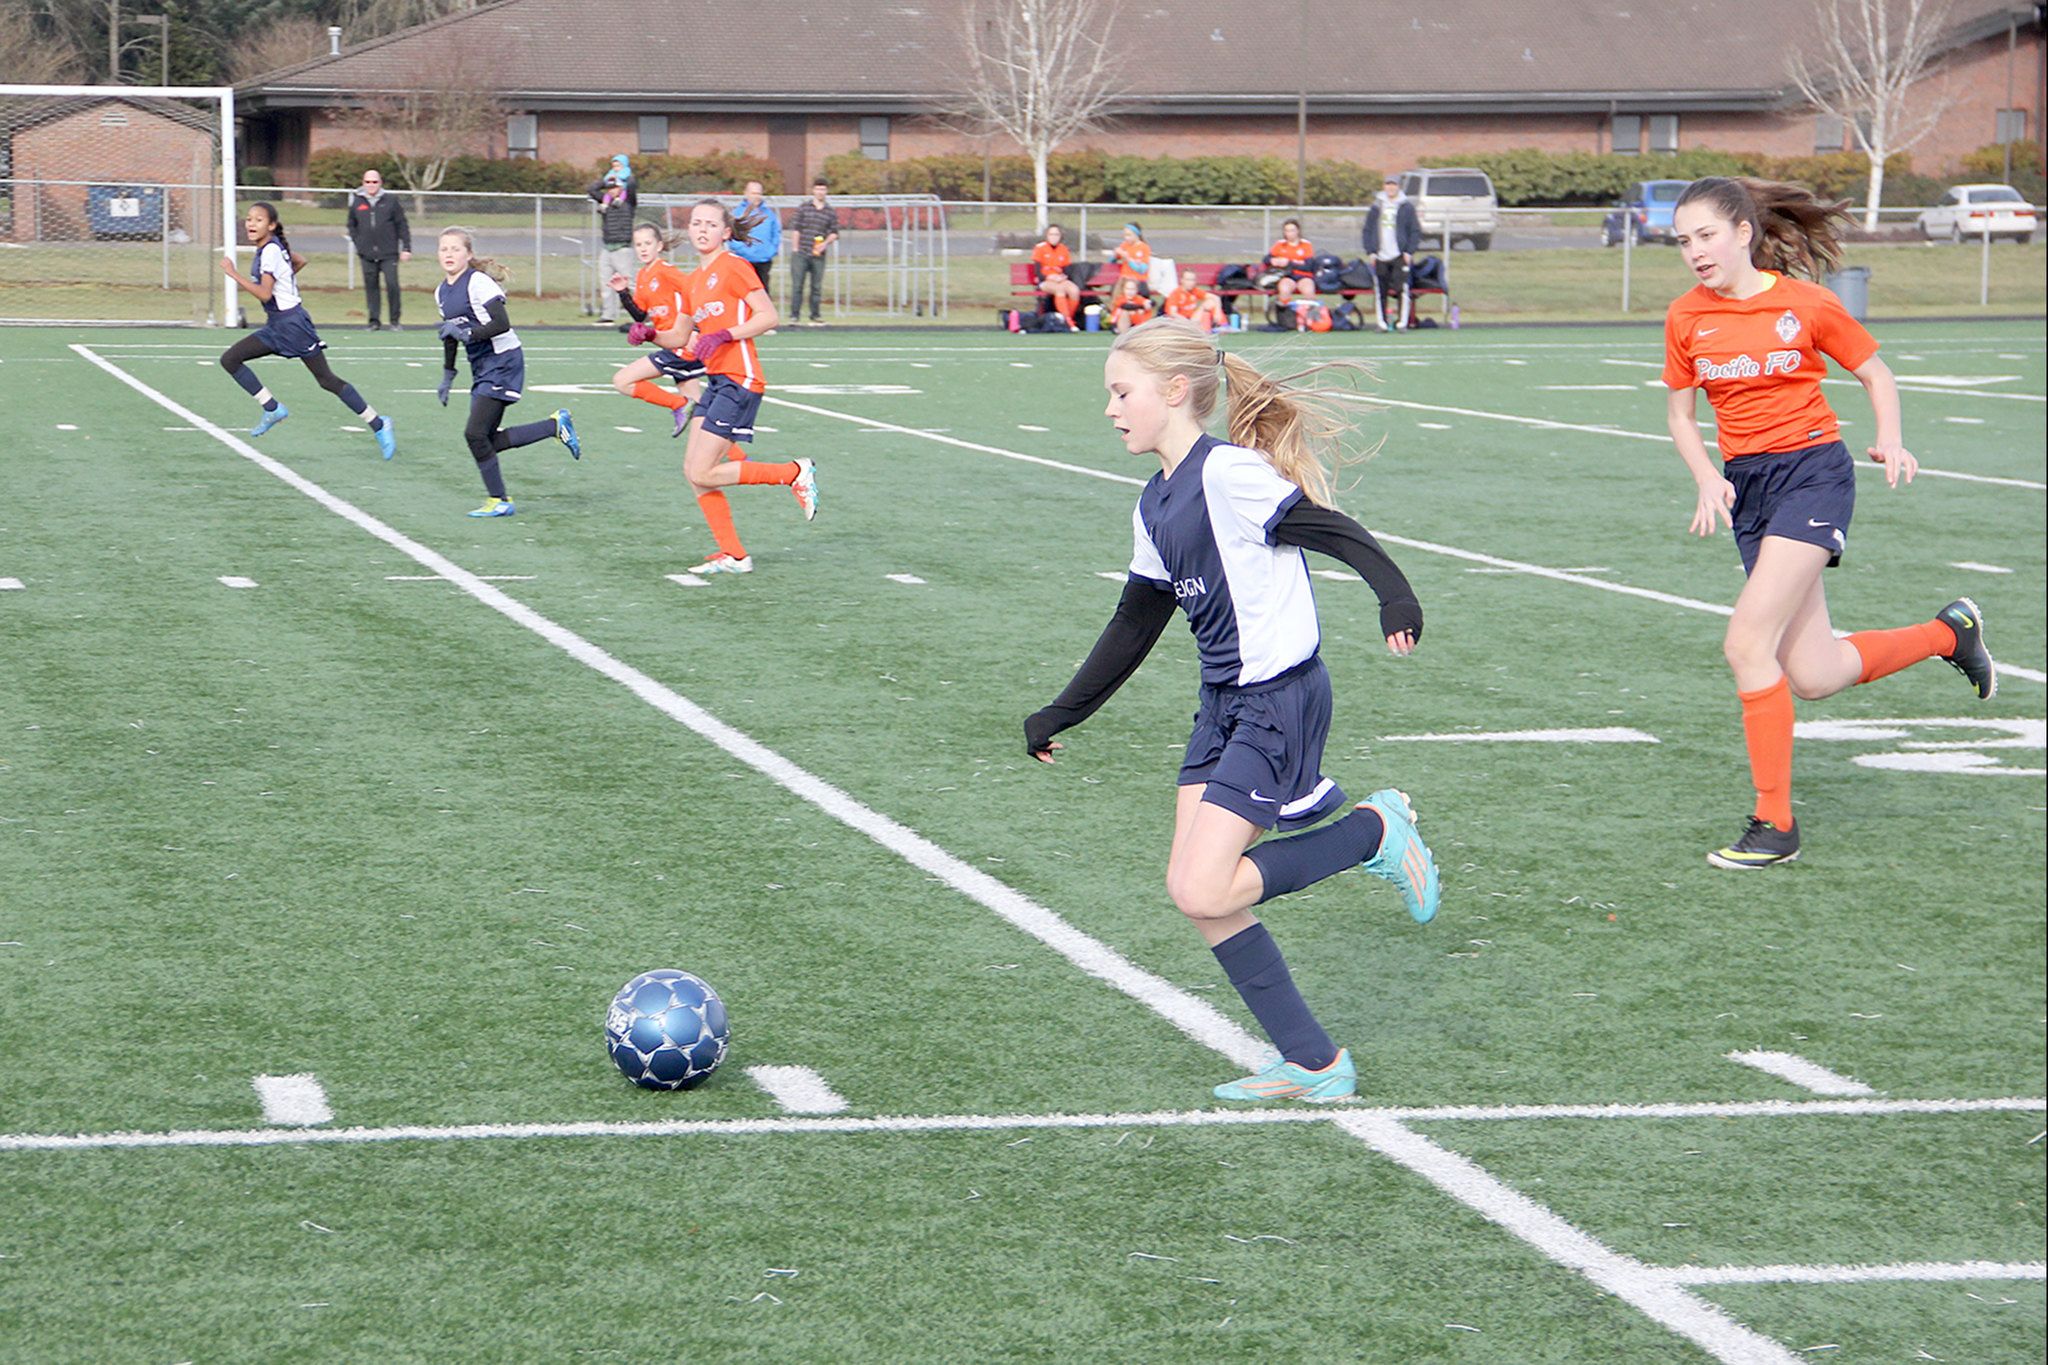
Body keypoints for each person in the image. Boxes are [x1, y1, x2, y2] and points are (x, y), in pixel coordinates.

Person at [1025, 316, 1440, 1103]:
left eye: (1122, 392)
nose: (1111, 409)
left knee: (1205, 887)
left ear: (1175, 392)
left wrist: (1395, 594)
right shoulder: (1155, 500)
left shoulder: (1229, 475)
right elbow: (1135, 622)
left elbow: (1329, 527)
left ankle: (1373, 832)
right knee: (1196, 890)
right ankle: (1315, 1062)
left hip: (1277, 700)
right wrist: (1061, 711)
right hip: (1221, 704)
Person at [1663, 176, 1996, 870]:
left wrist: (1892, 438)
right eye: (1683, 240)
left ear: (1743, 233)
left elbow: (1876, 373)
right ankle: (1949, 633)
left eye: (1706, 235)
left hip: (1813, 474)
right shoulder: (1686, 317)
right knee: (1813, 673)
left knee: (1745, 642)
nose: (1694, 251)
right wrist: (1706, 475)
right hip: (1750, 490)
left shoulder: (1806, 303)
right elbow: (1679, 413)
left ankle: (1774, 824)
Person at [669, 197, 820, 573]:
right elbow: (679, 337)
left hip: (741, 378)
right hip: (717, 381)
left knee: (703, 471)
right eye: (696, 223)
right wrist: (644, 331)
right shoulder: (693, 281)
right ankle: (734, 555)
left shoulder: (734, 266)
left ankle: (793, 473)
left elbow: (769, 317)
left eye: (710, 224)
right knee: (693, 471)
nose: (701, 229)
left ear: (725, 232)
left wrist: (723, 335)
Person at [219, 201, 395, 460]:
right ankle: (272, 408)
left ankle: (379, 424)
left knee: (326, 380)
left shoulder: (269, 251)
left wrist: (233, 274)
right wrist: (287, 279)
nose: (251, 224)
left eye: (258, 220)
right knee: (230, 359)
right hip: (277, 324)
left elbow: (265, 293)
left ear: (271, 225)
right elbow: (299, 261)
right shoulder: (270, 249)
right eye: (248, 219)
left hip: (292, 325)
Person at [434, 226, 582, 518]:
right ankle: (554, 426)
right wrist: (448, 373)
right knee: (485, 440)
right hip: (482, 366)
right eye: (443, 249)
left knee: (474, 434)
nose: (449, 254)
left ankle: (500, 500)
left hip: (503, 361)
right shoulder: (441, 292)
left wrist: (467, 335)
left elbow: (501, 323)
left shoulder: (478, 282)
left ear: (469, 254)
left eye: (455, 249)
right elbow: (449, 334)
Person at [608, 221, 704, 436]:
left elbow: (695, 293)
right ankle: (738, 457)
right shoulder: (643, 275)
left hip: (680, 345)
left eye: (647, 243)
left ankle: (678, 404)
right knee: (700, 414)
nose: (642, 248)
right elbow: (640, 315)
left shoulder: (666, 271)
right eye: (638, 244)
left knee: (622, 380)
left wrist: (694, 329)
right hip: (671, 345)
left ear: (659, 246)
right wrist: (623, 292)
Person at [345, 167, 411, 331]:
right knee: (371, 288)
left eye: (374, 182)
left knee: (392, 285)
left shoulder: (390, 201)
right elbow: (351, 225)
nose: (371, 185)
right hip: (367, 254)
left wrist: (406, 247)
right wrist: (359, 243)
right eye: (368, 182)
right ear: (363, 183)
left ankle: (395, 321)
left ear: (380, 183)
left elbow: (402, 225)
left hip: (388, 253)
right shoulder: (357, 201)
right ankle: (374, 321)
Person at [1361, 178, 1421, 332]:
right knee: (1381, 290)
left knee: (1402, 289)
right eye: (1388, 185)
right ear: (1384, 187)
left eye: (1393, 185)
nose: (1391, 188)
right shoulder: (1376, 207)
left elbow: (1414, 230)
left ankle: (1402, 322)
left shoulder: (1406, 207)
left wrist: (1408, 251)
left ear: (1398, 187)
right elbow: (1367, 230)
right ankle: (1382, 323)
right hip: (1380, 255)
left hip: (1399, 255)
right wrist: (1371, 251)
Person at [589, 154, 638, 328]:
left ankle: (638, 315)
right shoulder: (606, 202)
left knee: (629, 283)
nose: (611, 190)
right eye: (609, 188)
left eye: (615, 187)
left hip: (622, 248)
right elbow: (592, 189)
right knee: (606, 284)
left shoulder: (628, 202)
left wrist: (623, 174)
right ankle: (608, 315)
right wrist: (606, 180)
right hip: (607, 247)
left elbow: (632, 185)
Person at [787, 178, 839, 327]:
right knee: (797, 286)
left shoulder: (829, 212)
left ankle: (815, 315)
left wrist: (824, 244)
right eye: (818, 189)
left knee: (816, 286)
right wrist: (795, 249)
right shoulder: (804, 208)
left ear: (826, 191)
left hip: (818, 256)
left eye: (823, 189)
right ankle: (794, 315)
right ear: (813, 190)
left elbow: (834, 232)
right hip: (801, 253)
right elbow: (796, 228)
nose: (820, 192)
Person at [729, 180, 782, 301]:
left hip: (764, 260)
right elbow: (732, 235)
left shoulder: (769, 214)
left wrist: (771, 251)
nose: (756, 196)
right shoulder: (738, 213)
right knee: (744, 291)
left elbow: (776, 233)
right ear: (746, 193)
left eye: (758, 193)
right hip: (744, 260)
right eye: (753, 193)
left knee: (763, 292)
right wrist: (743, 251)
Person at [1031, 223, 1082, 329]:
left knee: (1074, 290)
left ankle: (1066, 318)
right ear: (1047, 235)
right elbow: (1037, 272)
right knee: (1060, 290)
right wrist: (1049, 277)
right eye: (1051, 234)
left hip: (1059, 279)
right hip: (1045, 281)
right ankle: (1068, 322)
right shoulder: (1040, 248)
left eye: (1056, 234)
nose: (1054, 237)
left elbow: (1067, 270)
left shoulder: (1063, 249)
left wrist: (1063, 277)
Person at [1264, 218, 1316, 308]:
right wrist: (1273, 261)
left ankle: (1309, 317)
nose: (1290, 233)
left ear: (1298, 231)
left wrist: (1289, 263)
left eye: (1292, 230)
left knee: (1309, 290)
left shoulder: (1305, 245)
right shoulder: (1280, 244)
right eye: (1287, 231)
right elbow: (1266, 259)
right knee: (1284, 289)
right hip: (1287, 276)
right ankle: (1285, 316)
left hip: (1303, 276)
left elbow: (1308, 266)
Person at [1162, 269, 1227, 333]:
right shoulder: (1175, 293)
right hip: (1179, 322)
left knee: (1210, 302)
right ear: (1182, 280)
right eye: (1188, 280)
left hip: (1192, 320)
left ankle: (1223, 325)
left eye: (1193, 280)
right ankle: (1208, 328)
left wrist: (1217, 312)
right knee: (1205, 310)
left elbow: (1216, 297)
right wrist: (1187, 322)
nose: (1191, 282)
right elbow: (1172, 313)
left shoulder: (1194, 291)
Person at [1113, 222, 1153, 295]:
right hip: (1125, 279)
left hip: (1139, 279)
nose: (1126, 238)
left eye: (1129, 235)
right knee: (1115, 291)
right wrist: (1115, 254)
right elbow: (1112, 261)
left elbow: (1142, 270)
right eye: (1125, 235)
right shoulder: (1124, 245)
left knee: (1142, 292)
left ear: (1136, 235)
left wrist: (1128, 259)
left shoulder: (1144, 247)